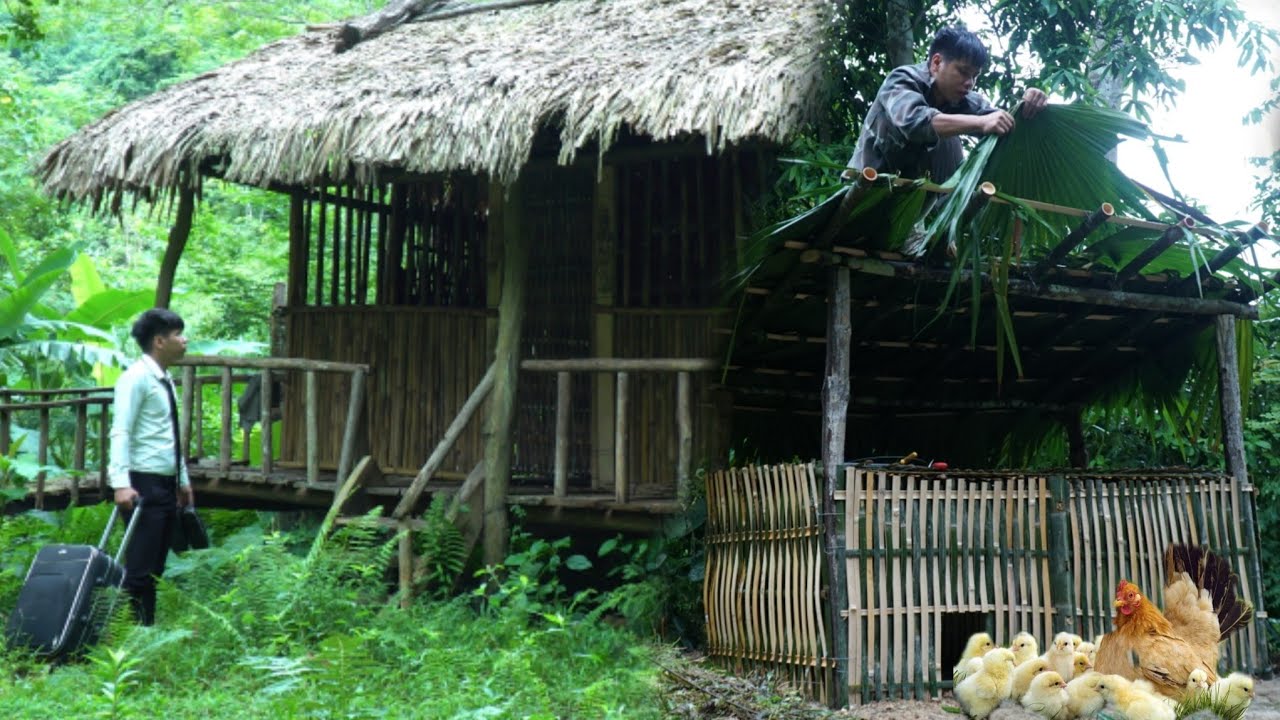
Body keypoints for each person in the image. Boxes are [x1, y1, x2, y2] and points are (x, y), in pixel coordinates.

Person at [847, 25, 1048, 183]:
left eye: (975, 76)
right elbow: (916, 123)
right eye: (963, 72)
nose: (969, 83)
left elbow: (1001, 120)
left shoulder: (963, 97)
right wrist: (981, 123)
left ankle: (951, 215)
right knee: (948, 139)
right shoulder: (901, 79)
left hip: (907, 202)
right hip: (862, 188)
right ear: (936, 63)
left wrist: (1028, 104)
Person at [108, 308, 193, 625]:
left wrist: (182, 479)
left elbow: (168, 434)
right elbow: (121, 430)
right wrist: (120, 483)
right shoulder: (135, 378)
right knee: (141, 566)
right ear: (159, 341)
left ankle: (146, 629)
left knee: (156, 566)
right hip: (142, 482)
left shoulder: (164, 378)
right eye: (178, 335)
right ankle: (123, 634)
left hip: (166, 482)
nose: (184, 341)